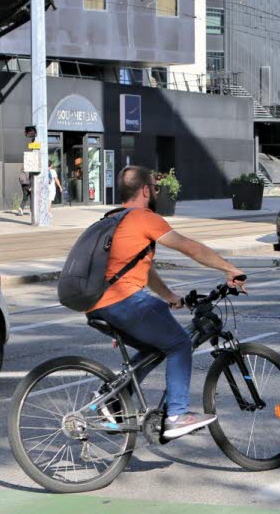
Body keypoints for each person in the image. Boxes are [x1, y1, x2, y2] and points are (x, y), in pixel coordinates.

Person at [87, 166, 247, 439]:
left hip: (97, 303)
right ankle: (176, 415)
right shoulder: (143, 218)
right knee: (180, 343)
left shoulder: (111, 219)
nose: (157, 193)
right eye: (155, 188)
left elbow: (141, 269)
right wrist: (230, 268)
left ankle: (111, 399)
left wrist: (170, 297)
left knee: (159, 345)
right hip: (123, 301)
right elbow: (190, 247)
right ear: (146, 190)